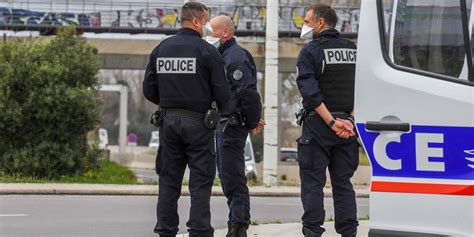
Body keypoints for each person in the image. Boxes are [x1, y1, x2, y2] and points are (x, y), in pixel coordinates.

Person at [142, 2, 230, 237]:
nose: (208, 27)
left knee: (169, 182)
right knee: (200, 183)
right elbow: (223, 93)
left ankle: (166, 231)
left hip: (168, 123)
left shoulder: (161, 49)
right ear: (196, 21)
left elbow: (149, 90)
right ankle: (199, 231)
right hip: (199, 124)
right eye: (207, 22)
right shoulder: (208, 52)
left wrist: (170, 101)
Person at [295, 3, 359, 237]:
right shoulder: (353, 50)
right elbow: (362, 89)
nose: (305, 25)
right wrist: (349, 120)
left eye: (307, 21)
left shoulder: (311, 51)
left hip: (320, 125)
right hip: (348, 127)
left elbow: (310, 93)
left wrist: (332, 122)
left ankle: (313, 232)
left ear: (320, 23)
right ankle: (349, 232)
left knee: (313, 183)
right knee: (343, 184)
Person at [205, 15, 265, 237]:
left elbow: (247, 94)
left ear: (226, 32)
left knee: (233, 180)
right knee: (228, 178)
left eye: (212, 31)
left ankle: (238, 227)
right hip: (223, 125)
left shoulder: (236, 57)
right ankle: (236, 223)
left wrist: (251, 121)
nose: (208, 35)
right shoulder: (220, 56)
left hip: (231, 126)